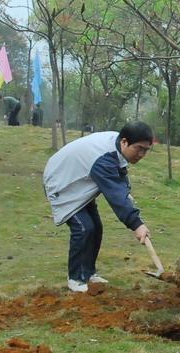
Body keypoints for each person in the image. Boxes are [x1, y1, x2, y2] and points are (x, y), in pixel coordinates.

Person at [43, 121, 154, 293]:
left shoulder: (116, 146)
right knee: (84, 228)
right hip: (62, 184)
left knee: (96, 228)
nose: (142, 154)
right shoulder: (104, 159)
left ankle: (88, 273)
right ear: (125, 142)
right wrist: (136, 224)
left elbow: (120, 175)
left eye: (146, 150)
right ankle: (76, 279)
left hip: (81, 184)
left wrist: (126, 193)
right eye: (139, 148)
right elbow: (115, 195)